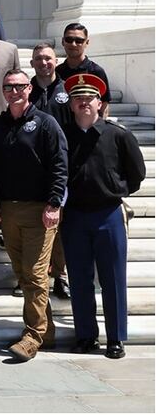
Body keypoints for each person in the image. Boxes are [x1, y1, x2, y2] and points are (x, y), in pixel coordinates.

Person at [0, 69, 69, 362]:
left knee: (35, 274)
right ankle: (45, 332)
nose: (14, 91)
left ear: (29, 89)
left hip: (40, 210)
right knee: (23, 273)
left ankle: (32, 336)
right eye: (8, 87)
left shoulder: (46, 123)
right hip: (8, 208)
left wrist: (54, 203)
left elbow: (60, 164)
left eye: (19, 86)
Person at [61, 73, 145, 360]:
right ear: (71, 105)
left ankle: (116, 339)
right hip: (74, 217)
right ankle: (86, 336)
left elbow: (136, 174)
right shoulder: (64, 136)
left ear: (100, 102)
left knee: (113, 279)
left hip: (107, 214)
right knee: (80, 279)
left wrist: (113, 189)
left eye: (89, 98)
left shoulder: (118, 135)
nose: (84, 103)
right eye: (78, 99)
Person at [57, 23, 111, 117]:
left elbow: (104, 105)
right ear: (62, 41)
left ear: (87, 42)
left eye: (79, 40)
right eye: (69, 40)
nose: (73, 44)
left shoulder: (96, 72)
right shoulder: (57, 72)